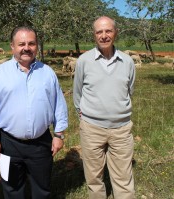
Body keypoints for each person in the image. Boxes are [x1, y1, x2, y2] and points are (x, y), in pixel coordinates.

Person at [0, 26, 68, 199]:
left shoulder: (47, 73)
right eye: (21, 44)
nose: (26, 48)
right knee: (12, 189)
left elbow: (59, 105)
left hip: (41, 143)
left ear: (36, 46)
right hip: (8, 143)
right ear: (12, 46)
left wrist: (59, 135)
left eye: (31, 43)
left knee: (42, 189)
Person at [73, 16, 136, 199]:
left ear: (115, 32)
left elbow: (129, 90)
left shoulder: (127, 62)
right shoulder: (84, 61)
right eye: (99, 32)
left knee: (124, 177)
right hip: (92, 128)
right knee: (94, 178)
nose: (104, 35)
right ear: (94, 35)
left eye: (108, 31)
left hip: (121, 129)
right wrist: (84, 117)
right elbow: (77, 94)